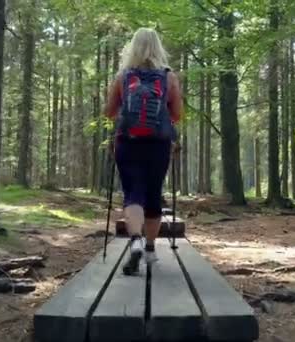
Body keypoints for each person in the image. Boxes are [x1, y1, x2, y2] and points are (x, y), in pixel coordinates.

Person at [104, 28, 183, 276]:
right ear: (159, 48)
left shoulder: (123, 77)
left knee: (133, 193)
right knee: (153, 195)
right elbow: (177, 115)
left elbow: (108, 112)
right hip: (158, 145)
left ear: (132, 47)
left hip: (127, 142)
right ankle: (149, 248)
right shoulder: (169, 78)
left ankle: (135, 240)